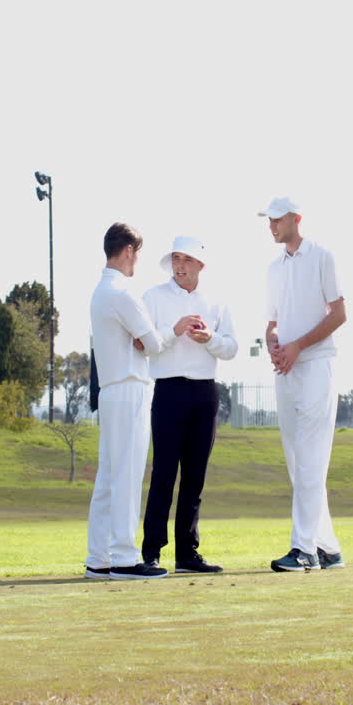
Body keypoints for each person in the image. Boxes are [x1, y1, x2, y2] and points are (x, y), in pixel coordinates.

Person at [259, 196, 348, 572]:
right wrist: (274, 344)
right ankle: (328, 547)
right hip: (287, 370)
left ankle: (305, 550)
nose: (272, 226)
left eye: (277, 219)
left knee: (312, 460)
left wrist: (298, 346)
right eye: (268, 221)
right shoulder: (273, 269)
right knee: (298, 463)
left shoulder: (322, 257)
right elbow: (272, 322)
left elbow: (339, 314)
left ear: (296, 219)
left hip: (316, 366)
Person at [140, 236, 238, 574]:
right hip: (168, 391)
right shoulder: (152, 297)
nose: (180, 265)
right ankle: (151, 552)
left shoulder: (217, 302)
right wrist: (175, 329)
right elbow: (146, 344)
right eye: (176, 259)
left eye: (187, 260)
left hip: (205, 392)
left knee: (195, 477)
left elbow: (232, 348)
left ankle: (187, 554)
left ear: (201, 265)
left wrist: (209, 339)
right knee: (164, 474)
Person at [85, 223, 170, 580]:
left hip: (111, 389)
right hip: (129, 386)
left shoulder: (100, 291)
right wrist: (171, 330)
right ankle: (123, 556)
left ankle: (99, 557)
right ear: (129, 251)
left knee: (109, 474)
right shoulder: (122, 292)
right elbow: (153, 343)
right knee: (127, 473)